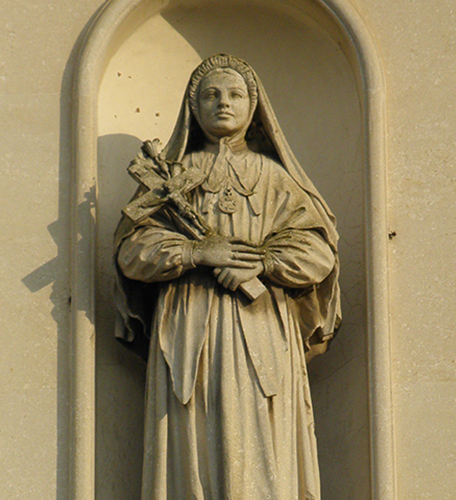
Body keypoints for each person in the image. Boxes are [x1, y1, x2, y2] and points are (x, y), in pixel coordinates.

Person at [114, 54, 341, 500]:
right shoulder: (170, 179)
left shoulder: (276, 178)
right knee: (191, 428)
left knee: (261, 435)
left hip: (262, 329)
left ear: (252, 108)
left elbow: (318, 253)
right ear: (193, 107)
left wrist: (264, 262)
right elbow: (132, 253)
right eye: (211, 95)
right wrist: (195, 252)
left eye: (235, 94)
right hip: (187, 326)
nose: (223, 103)